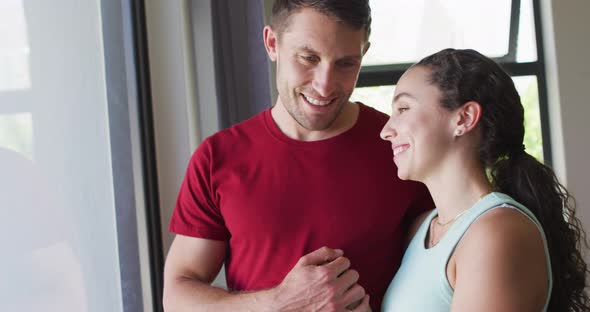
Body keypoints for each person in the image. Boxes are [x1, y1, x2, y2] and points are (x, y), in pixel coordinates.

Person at [162, 0, 433, 311]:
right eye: (309, 58)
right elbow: (178, 297)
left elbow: (447, 268)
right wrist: (280, 303)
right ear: (272, 43)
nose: (324, 85)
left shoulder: (399, 147)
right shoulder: (217, 157)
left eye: (346, 63)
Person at [380, 48, 590, 311]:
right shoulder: (421, 229)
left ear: (464, 118)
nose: (386, 131)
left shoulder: (497, 231)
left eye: (403, 108)